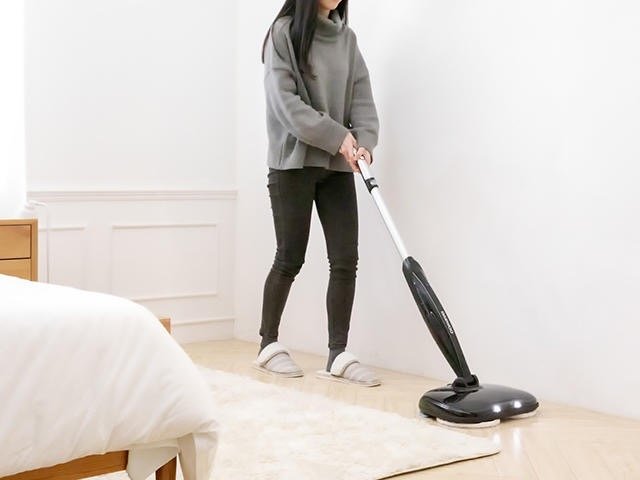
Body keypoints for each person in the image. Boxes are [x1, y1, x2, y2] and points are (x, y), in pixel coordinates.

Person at [253, 0, 381, 386]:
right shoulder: (284, 34)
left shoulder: (346, 39)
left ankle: (338, 353)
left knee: (345, 260)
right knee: (289, 257)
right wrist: (337, 135)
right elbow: (286, 104)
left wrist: (364, 143)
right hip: (292, 165)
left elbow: (362, 102)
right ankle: (267, 344)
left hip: (337, 166)